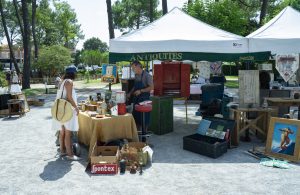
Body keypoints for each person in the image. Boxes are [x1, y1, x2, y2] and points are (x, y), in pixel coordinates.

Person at [52, 67, 80, 160]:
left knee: (62, 131)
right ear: (73, 73)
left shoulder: (62, 81)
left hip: (60, 109)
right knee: (68, 133)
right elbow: (69, 97)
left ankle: (62, 151)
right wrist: (76, 107)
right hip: (66, 109)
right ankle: (70, 154)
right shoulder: (69, 82)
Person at [127, 61, 154, 136]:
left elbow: (152, 87)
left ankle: (144, 137)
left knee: (144, 119)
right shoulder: (136, 75)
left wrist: (141, 91)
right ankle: (138, 136)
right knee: (136, 118)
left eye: (133, 68)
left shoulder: (147, 75)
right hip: (137, 99)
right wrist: (130, 93)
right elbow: (135, 87)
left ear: (138, 67)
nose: (132, 70)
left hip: (144, 100)